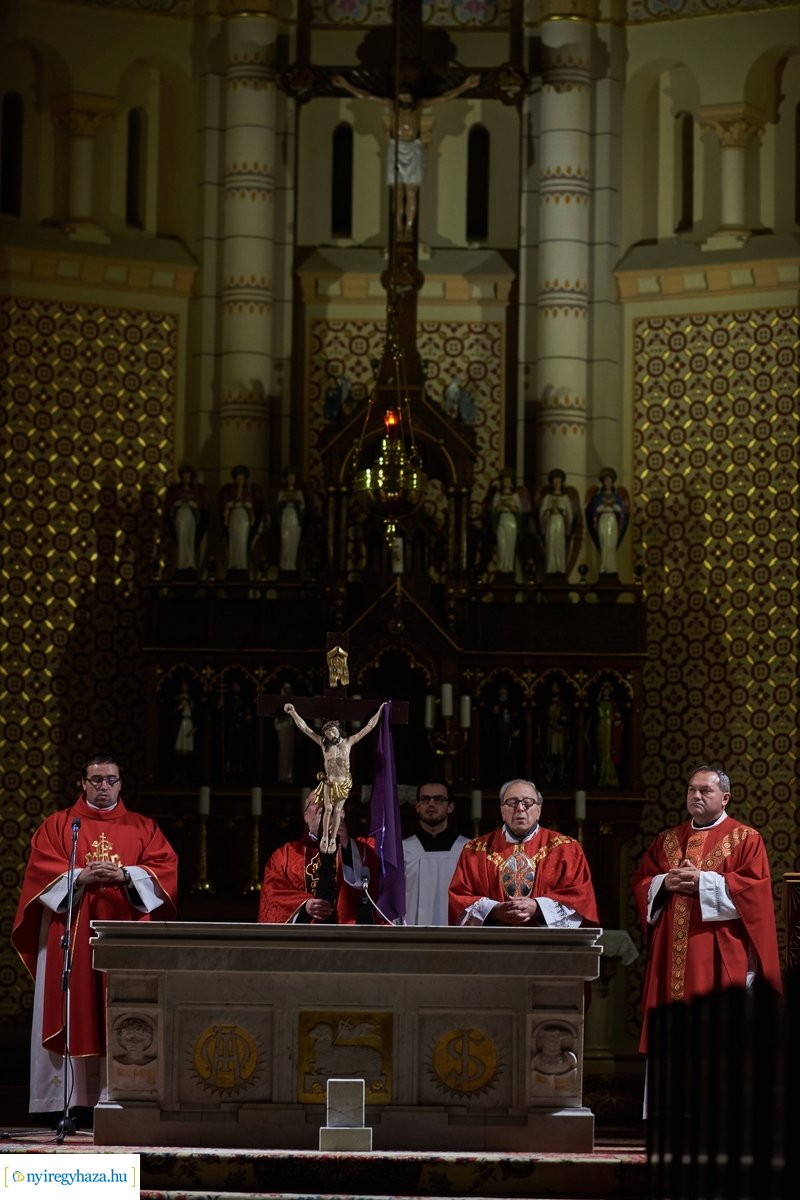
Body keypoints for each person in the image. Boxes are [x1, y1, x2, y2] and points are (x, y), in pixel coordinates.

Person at [11, 754, 178, 1120]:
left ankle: (122, 1099)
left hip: (126, 936)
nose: (104, 786)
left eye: (111, 780)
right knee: (74, 1007)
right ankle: (67, 1102)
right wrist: (78, 877)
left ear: (121, 784)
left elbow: (164, 869)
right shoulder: (59, 826)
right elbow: (41, 871)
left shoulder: (143, 827)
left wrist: (126, 876)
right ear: (83, 784)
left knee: (120, 1007)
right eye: (97, 779)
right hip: (70, 936)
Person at [632, 764, 783, 1054]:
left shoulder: (746, 839)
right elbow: (641, 881)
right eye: (692, 790)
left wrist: (703, 882)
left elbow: (755, 892)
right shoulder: (667, 839)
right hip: (671, 956)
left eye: (705, 790)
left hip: (717, 952)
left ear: (725, 797)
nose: (696, 796)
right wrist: (665, 882)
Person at [332, 71, 480, 239]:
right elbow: (367, 96)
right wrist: (346, 85)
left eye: (407, 95)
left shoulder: (420, 105)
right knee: (398, 193)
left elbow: (444, 97)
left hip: (413, 149)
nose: (404, 99)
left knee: (411, 193)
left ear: (412, 95)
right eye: (401, 95)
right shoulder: (392, 105)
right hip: (396, 149)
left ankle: (409, 228)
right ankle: (398, 227)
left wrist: (465, 86)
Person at [448, 778, 598, 928]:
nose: (520, 808)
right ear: (502, 811)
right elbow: (460, 897)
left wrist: (537, 907)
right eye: (512, 802)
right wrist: (494, 910)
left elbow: (580, 896)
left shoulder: (566, 849)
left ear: (538, 810)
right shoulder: (475, 850)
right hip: (494, 944)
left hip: (547, 945)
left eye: (527, 802)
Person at [258, 791, 381, 924]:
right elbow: (273, 894)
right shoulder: (285, 855)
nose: (325, 804)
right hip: (303, 937)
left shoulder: (364, 848)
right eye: (318, 801)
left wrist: (345, 842)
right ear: (306, 816)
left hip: (348, 936)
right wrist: (304, 905)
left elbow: (376, 884)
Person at [282, 700, 386, 854]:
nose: (331, 735)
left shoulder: (348, 743)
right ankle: (324, 837)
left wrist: (380, 711)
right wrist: (292, 713)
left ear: (338, 730)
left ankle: (332, 840)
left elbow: (369, 727)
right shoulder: (324, 746)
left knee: (337, 810)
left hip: (343, 783)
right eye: (328, 734)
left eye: (332, 732)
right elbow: (305, 728)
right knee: (328, 808)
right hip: (329, 782)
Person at [402, 780, 469, 926]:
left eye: (439, 799)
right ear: (417, 806)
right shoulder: (403, 849)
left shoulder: (467, 849)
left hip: (456, 936)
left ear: (450, 807)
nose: (431, 804)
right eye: (425, 799)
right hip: (412, 936)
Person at [163, 463, 209, 575]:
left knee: (190, 539)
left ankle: (190, 563)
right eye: (184, 476)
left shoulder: (195, 491)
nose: (186, 478)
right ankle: (182, 563)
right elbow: (171, 505)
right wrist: (179, 503)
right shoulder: (176, 491)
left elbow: (201, 505)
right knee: (182, 538)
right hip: (180, 516)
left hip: (190, 516)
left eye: (188, 476)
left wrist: (192, 503)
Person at [219, 464, 263, 576]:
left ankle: (242, 564)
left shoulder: (249, 492)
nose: (239, 480)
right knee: (234, 539)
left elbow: (253, 508)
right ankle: (233, 563)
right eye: (238, 478)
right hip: (234, 518)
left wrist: (244, 504)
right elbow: (226, 506)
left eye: (241, 478)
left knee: (242, 540)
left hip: (244, 519)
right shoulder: (229, 492)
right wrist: (233, 504)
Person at [585, 467, 629, 576]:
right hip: (603, 521)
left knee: (611, 543)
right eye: (606, 481)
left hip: (612, 520)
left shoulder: (617, 496)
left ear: (612, 482)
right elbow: (596, 510)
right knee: (604, 543)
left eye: (609, 481)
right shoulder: (598, 497)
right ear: (603, 483)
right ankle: (604, 567)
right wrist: (605, 506)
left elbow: (620, 510)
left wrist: (612, 506)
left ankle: (612, 568)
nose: (608, 483)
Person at [536, 468, 577, 575]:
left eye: (559, 482)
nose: (557, 484)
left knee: (559, 544)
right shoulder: (548, 498)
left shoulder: (565, 498)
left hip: (560, 523)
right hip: (551, 523)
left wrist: (563, 513)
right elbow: (542, 512)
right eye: (555, 482)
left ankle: (560, 567)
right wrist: (548, 513)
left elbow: (570, 514)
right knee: (551, 543)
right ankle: (551, 567)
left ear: (562, 483)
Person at [490, 469, 523, 574]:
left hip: (511, 520)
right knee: (502, 543)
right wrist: (500, 506)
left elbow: (519, 510)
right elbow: (494, 510)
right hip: (502, 519)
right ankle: (501, 566)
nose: (506, 483)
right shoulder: (498, 495)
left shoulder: (515, 495)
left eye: (508, 481)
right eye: (504, 481)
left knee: (510, 544)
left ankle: (509, 566)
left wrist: (511, 506)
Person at [275, 465, 306, 572]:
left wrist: (296, 503)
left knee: (293, 542)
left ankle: (291, 564)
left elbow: (302, 507)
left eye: (293, 478)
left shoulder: (298, 493)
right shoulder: (282, 492)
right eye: (289, 477)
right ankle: (284, 565)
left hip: (294, 518)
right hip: (286, 517)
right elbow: (278, 506)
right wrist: (284, 502)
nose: (291, 480)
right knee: (285, 541)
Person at [594, 679, 623, 787]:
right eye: (604, 690)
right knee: (601, 751)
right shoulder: (598, 703)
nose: (606, 692)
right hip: (601, 728)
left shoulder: (613, 704)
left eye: (607, 689)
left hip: (609, 728)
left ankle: (609, 776)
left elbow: (618, 717)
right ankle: (600, 775)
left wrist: (617, 719)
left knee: (608, 751)